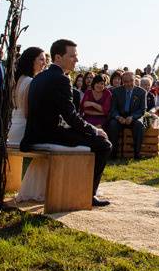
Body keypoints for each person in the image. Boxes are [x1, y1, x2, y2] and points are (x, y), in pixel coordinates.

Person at [20, 39, 112, 206]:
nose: (76, 60)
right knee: (104, 144)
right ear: (57, 57)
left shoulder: (39, 77)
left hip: (33, 134)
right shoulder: (62, 79)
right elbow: (70, 116)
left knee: (90, 138)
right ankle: (88, 194)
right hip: (50, 134)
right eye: (72, 56)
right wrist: (94, 130)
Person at [6, 46, 47, 201]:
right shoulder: (31, 81)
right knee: (53, 145)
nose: (44, 63)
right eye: (41, 59)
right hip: (23, 130)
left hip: (13, 128)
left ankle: (34, 188)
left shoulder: (19, 79)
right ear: (32, 61)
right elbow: (28, 113)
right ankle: (39, 190)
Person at [107, 71, 147, 159]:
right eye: (126, 81)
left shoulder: (141, 92)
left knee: (139, 125)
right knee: (112, 124)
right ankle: (113, 154)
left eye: (131, 81)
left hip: (134, 117)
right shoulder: (116, 91)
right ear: (122, 81)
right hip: (120, 117)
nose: (128, 83)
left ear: (134, 80)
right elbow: (113, 109)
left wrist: (132, 117)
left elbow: (142, 110)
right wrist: (118, 117)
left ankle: (137, 154)